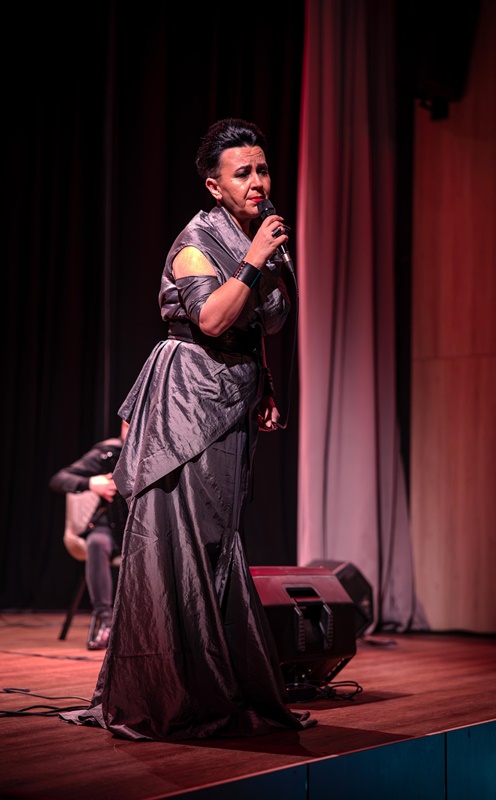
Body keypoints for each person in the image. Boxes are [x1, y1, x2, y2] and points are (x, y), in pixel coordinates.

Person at [60, 117, 315, 741]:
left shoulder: (257, 236)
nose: (258, 181)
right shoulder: (198, 243)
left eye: (262, 169)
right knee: (188, 542)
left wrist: (265, 385)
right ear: (214, 185)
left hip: (230, 397)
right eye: (242, 172)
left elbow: (253, 327)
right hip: (189, 400)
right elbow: (212, 319)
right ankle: (176, 688)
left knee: (220, 541)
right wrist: (253, 262)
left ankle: (219, 680)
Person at [49, 420, 129, 649]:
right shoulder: (108, 453)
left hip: (144, 532)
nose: (130, 429)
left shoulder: (158, 452)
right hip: (110, 527)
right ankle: (107, 621)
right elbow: (59, 479)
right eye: (126, 424)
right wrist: (90, 483)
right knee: (97, 542)